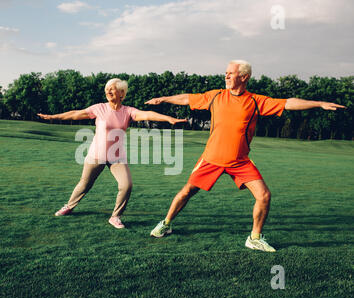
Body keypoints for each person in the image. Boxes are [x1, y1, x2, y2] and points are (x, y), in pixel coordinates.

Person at [146, 60, 346, 252]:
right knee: (186, 192)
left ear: (244, 77)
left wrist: (318, 103)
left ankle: (255, 238)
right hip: (211, 159)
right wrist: (163, 99)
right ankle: (166, 223)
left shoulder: (255, 101)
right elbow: (187, 98)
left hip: (240, 161)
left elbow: (288, 103)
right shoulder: (215, 96)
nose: (226, 76)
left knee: (264, 196)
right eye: (226, 72)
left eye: (230, 73)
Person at [38, 78, 187, 229]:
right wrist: (53, 117)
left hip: (117, 157)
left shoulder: (128, 111)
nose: (108, 91)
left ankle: (115, 216)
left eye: (112, 88)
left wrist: (168, 119)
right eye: (107, 88)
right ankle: (69, 206)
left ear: (121, 93)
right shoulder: (100, 108)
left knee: (126, 185)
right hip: (96, 154)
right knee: (85, 184)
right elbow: (76, 114)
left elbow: (147, 114)